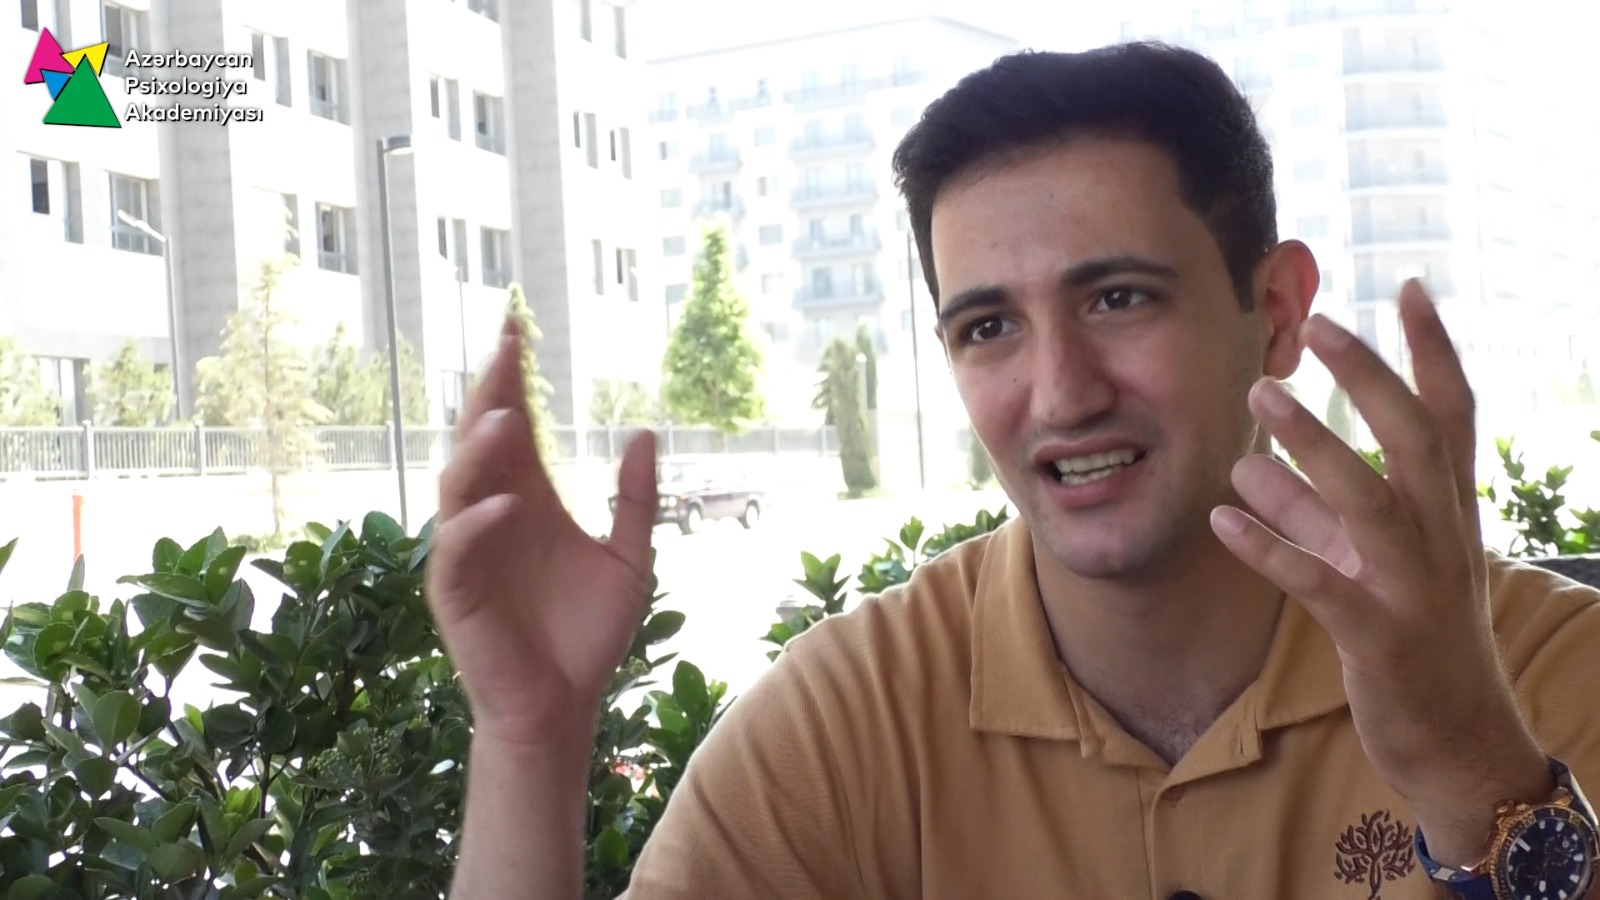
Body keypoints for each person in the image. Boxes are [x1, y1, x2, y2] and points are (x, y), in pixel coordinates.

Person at [427, 43, 1600, 900]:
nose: (1059, 392)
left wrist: (1469, 763)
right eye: (988, 327)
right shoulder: (853, 714)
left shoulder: (1537, 665)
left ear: (1277, 311)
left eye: (1118, 297)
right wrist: (531, 738)